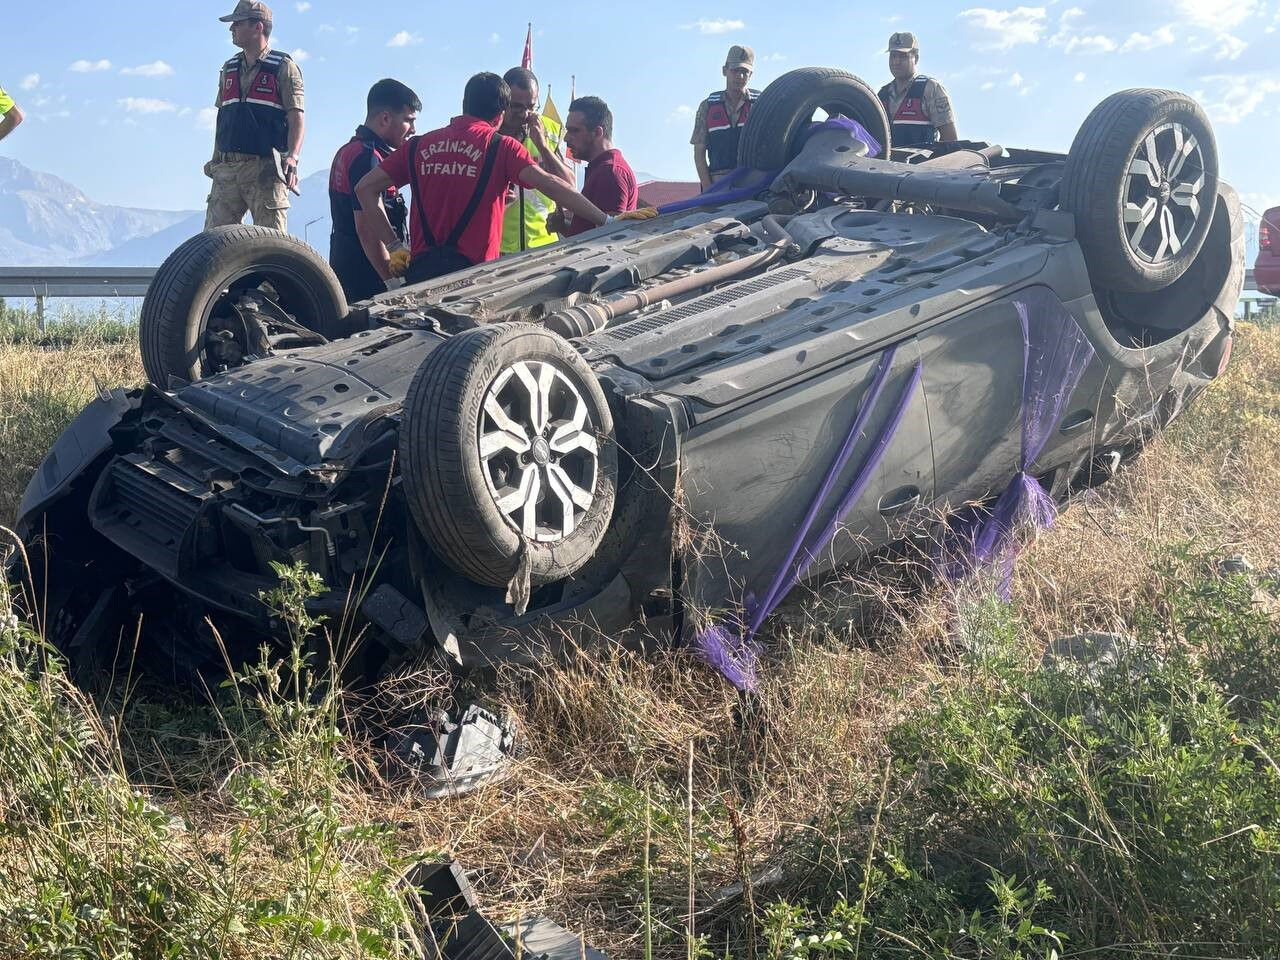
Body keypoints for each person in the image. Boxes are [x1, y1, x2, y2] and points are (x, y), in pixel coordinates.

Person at [354, 72, 614, 285]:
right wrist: (606, 220)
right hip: (475, 282)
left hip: (422, 278)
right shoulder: (501, 148)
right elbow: (552, 184)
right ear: (499, 115)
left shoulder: (419, 146)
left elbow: (364, 188)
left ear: (464, 104)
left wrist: (395, 246)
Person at [205, 0, 305, 231]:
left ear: (258, 27)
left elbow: (296, 117)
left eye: (237, 24)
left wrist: (292, 158)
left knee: (272, 243)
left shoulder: (283, 67)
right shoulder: (228, 68)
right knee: (213, 243)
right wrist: (215, 160)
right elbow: (223, 118)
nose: (232, 29)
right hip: (227, 169)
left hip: (266, 169)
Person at [328, 79, 420, 302]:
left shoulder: (350, 150)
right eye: (408, 120)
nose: (414, 130)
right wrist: (393, 285)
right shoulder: (367, 158)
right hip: (369, 280)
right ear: (385, 118)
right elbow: (367, 229)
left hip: (348, 272)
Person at [498, 67, 573, 254]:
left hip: (545, 245)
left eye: (531, 107)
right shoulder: (488, 133)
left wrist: (543, 146)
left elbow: (569, 184)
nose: (525, 114)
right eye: (517, 106)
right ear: (503, 101)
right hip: (499, 248)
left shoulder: (550, 129)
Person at [552, 96, 639, 238]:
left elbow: (610, 239)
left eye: (574, 131)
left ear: (598, 132)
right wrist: (563, 226)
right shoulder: (604, 168)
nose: (566, 138)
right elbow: (593, 234)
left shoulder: (609, 172)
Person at [690, 45, 760, 190]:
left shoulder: (760, 104)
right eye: (735, 70)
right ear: (724, 71)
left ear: (751, 75)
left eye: (744, 72)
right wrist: (709, 190)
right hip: (719, 182)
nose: (739, 76)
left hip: (753, 184)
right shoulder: (708, 106)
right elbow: (699, 153)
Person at [877, 32, 957, 147]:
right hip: (887, 164)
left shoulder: (931, 89)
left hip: (920, 163)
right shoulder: (882, 94)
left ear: (916, 58)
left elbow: (950, 138)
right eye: (893, 56)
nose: (896, 62)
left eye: (903, 56)